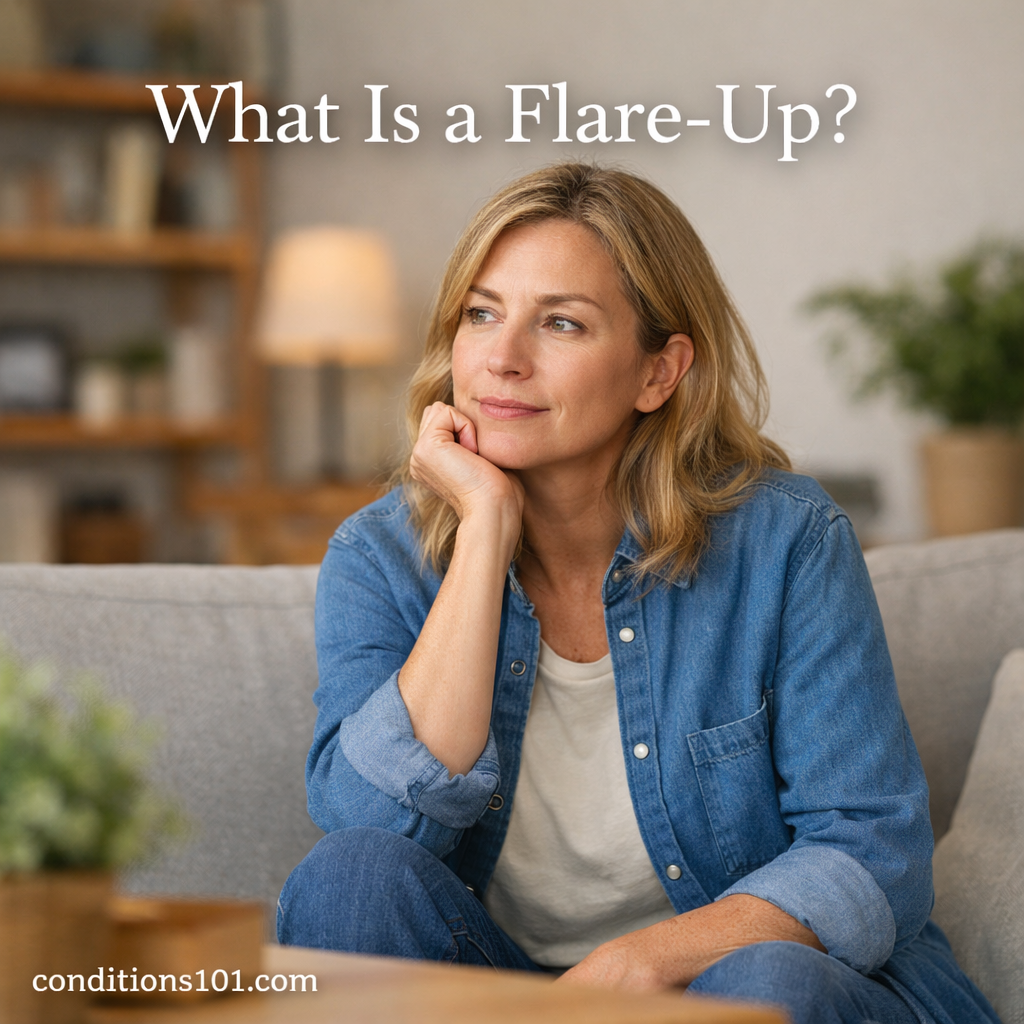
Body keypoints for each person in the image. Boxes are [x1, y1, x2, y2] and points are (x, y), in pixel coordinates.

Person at [277, 163, 999, 1024]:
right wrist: (483, 532)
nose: (503, 359)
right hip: (502, 996)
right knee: (349, 880)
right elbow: (368, 834)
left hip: (733, 989)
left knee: (766, 985)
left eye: (562, 323)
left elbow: (870, 850)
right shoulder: (379, 556)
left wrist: (639, 964)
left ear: (658, 374)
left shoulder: (787, 543)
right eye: (481, 313)